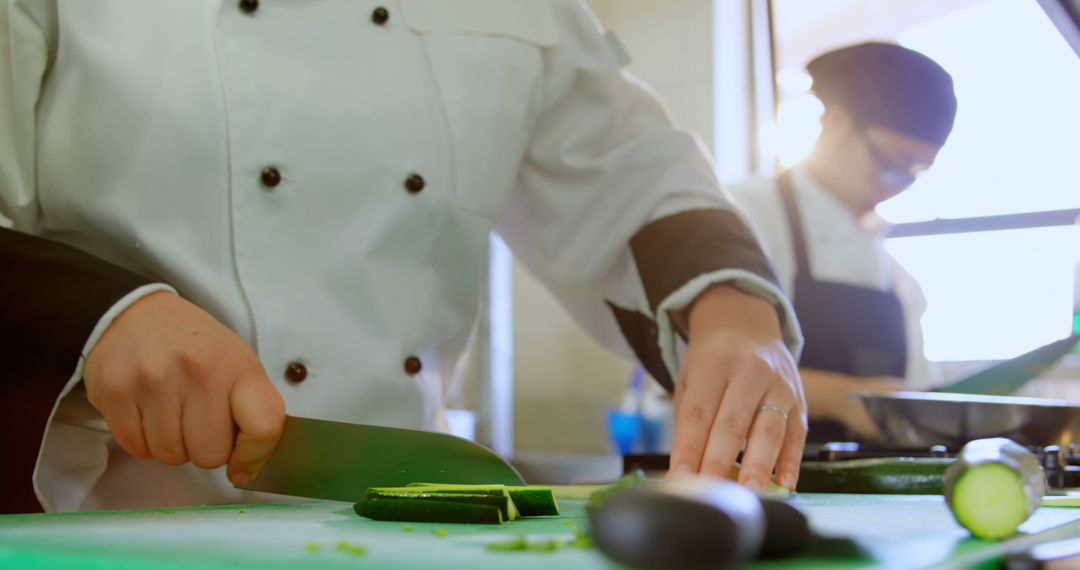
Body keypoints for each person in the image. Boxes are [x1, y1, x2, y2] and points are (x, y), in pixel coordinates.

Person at [0, 1, 806, 513]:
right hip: (108, 524)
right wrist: (101, 316)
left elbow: (638, 177)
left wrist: (736, 317)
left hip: (398, 522)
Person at [729, 42, 957, 442]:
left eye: (913, 174)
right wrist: (845, 399)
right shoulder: (747, 213)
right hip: (755, 485)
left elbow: (916, 392)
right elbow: (696, 367)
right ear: (834, 122)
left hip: (874, 495)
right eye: (889, 162)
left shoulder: (898, 276)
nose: (894, 186)